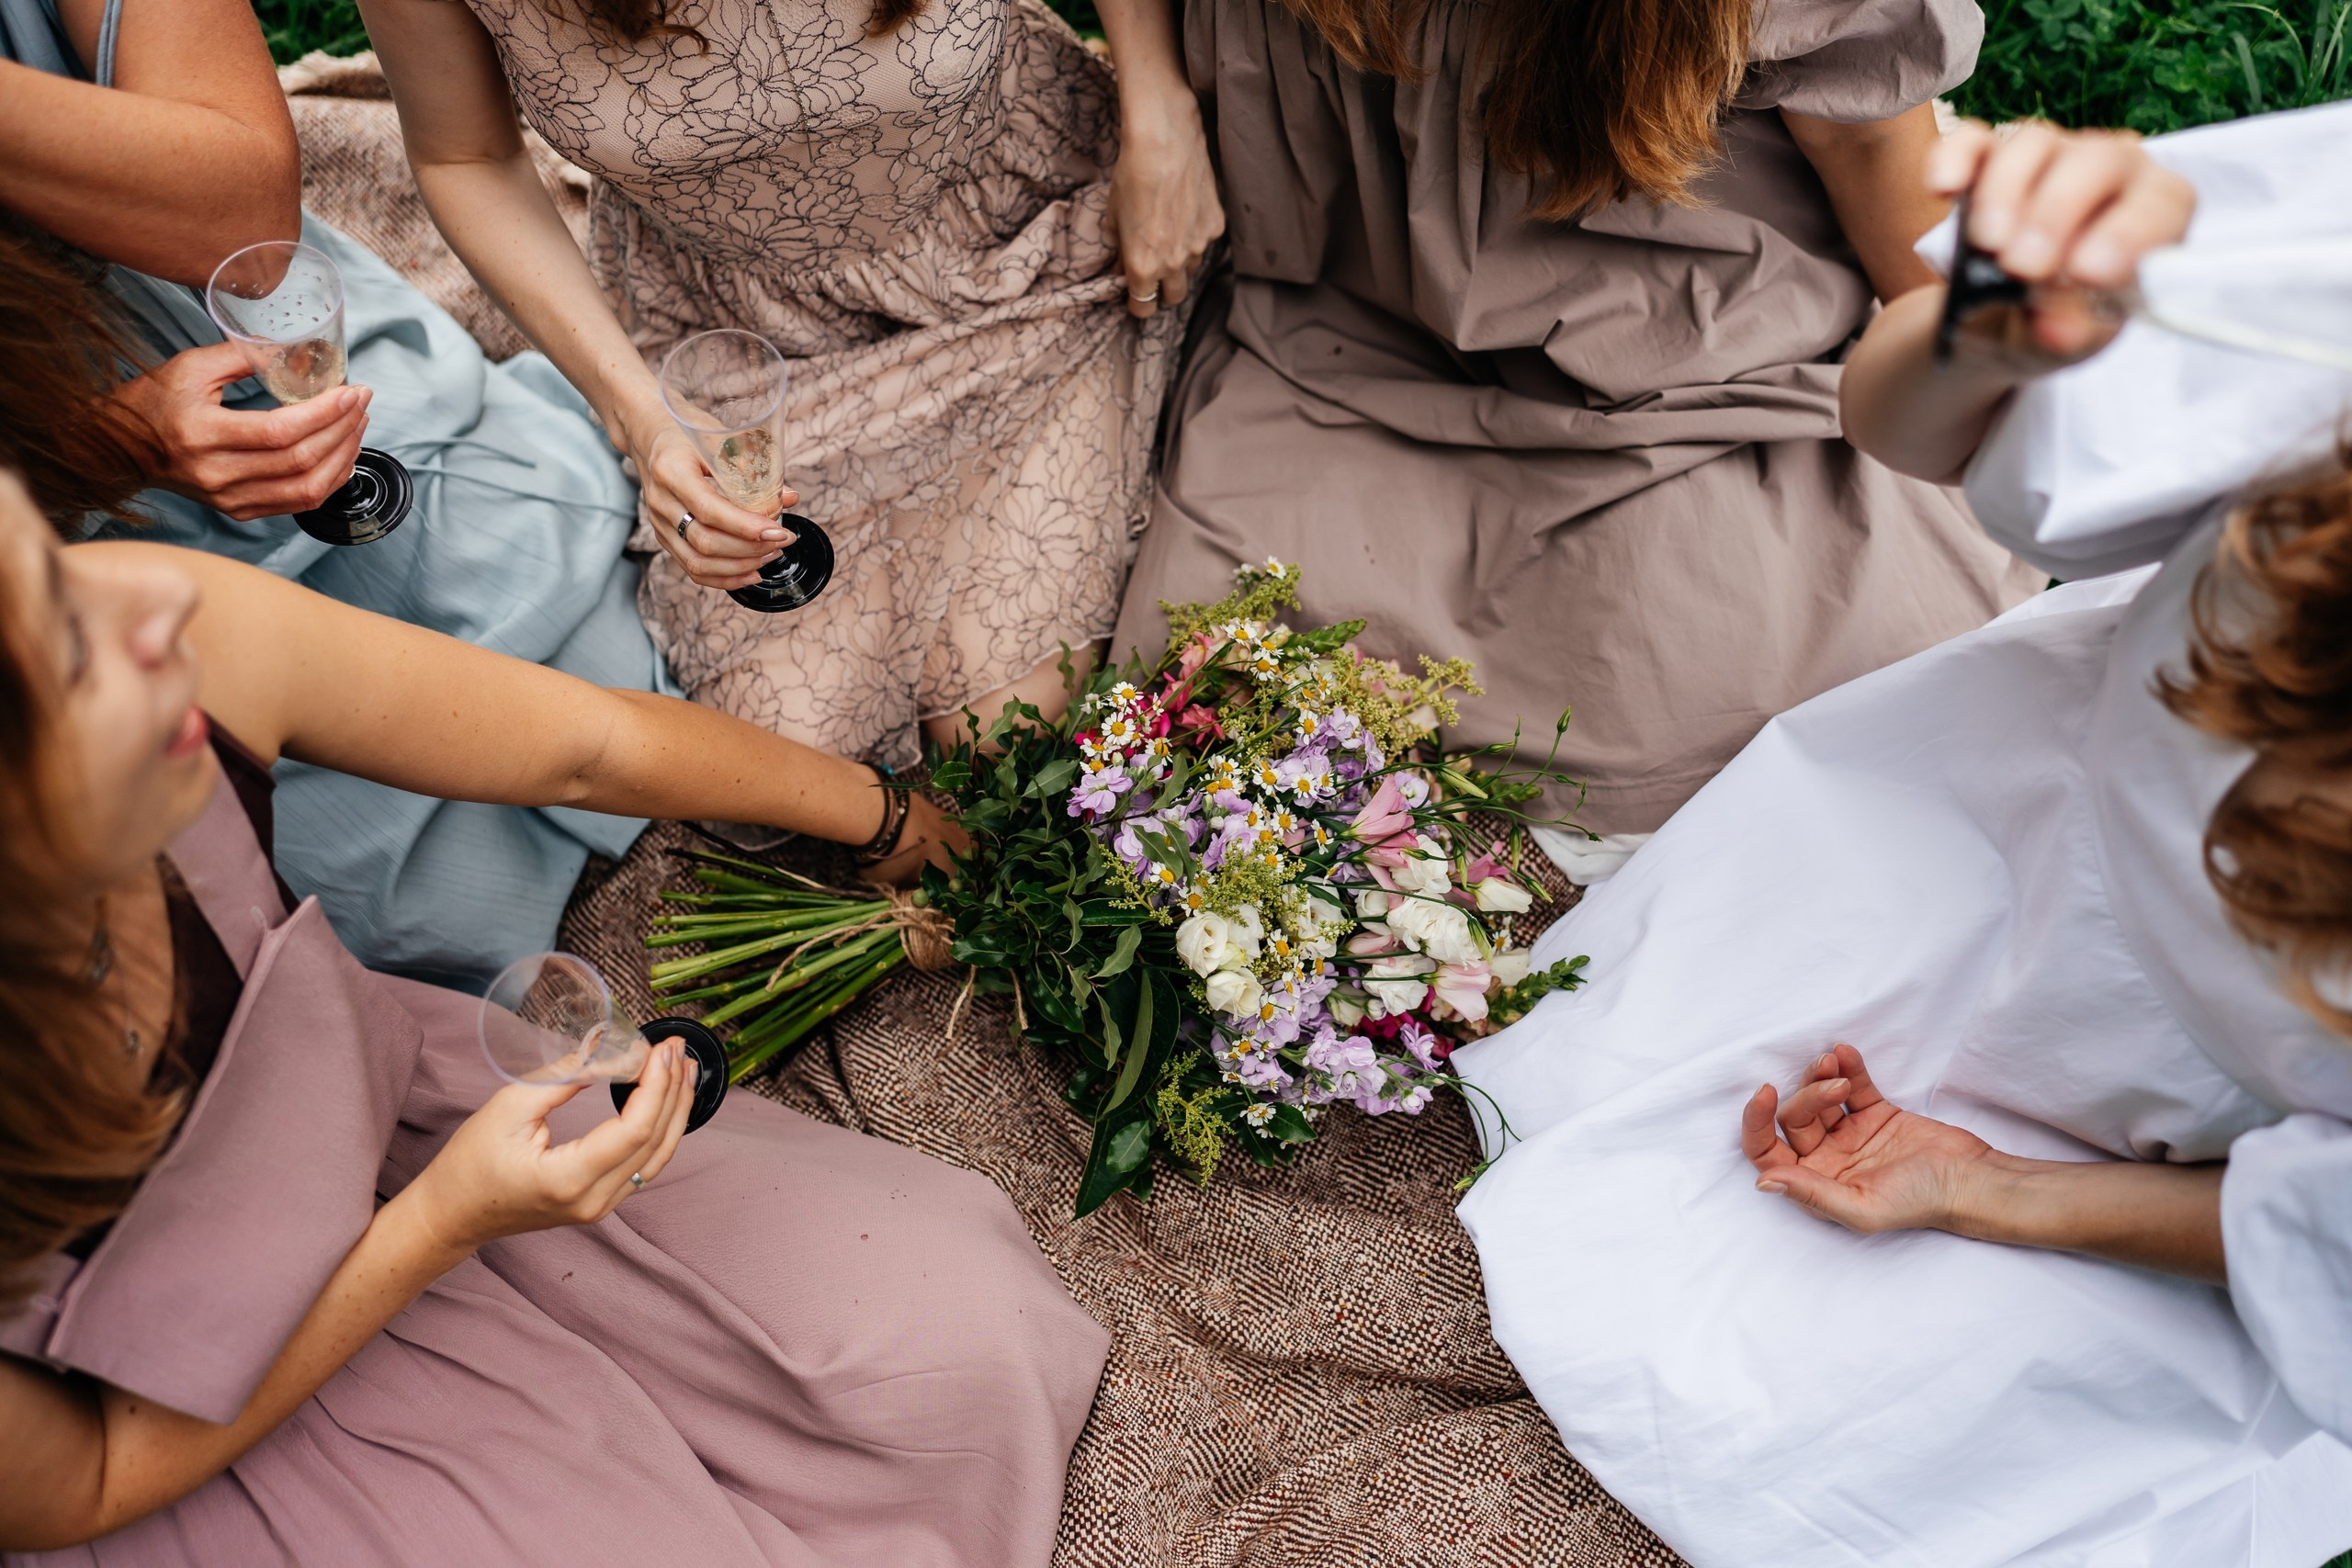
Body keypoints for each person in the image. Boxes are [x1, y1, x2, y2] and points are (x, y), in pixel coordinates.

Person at [1449, 107, 2352, 1567]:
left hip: (2175, 1114)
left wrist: (1989, 1188)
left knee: (1826, 1424)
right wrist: (1997, 330)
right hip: (1972, 816)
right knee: (1583, 1093)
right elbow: (1905, 417)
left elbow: (2327, 1224)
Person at [0, 465, 1108, 1565]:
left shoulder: (152, 620)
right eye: (68, 648)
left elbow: (585, 746)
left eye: (55, 567)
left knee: (960, 1349)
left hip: (381, 1126)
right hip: (185, 1427)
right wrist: (442, 1224)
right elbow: (89, 1477)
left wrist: (890, 822)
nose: (145, 613)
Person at [1108, 0, 2045, 844]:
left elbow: (1870, 153)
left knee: (1738, 677)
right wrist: (1153, 101)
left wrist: (1990, 378)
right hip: (1355, 320)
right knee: (1224, 672)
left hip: (1666, 362)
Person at [357, 0, 1222, 772]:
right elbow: (466, 155)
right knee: (795, 741)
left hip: (1023, 241)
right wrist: (642, 416)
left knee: (1002, 732)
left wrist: (1159, 104)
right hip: (742, 332)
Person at [0, 0, 666, 987]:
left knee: (606, 629)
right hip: (59, 526)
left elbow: (241, 217)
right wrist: (111, 443)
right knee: (398, 907)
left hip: (253, 332)